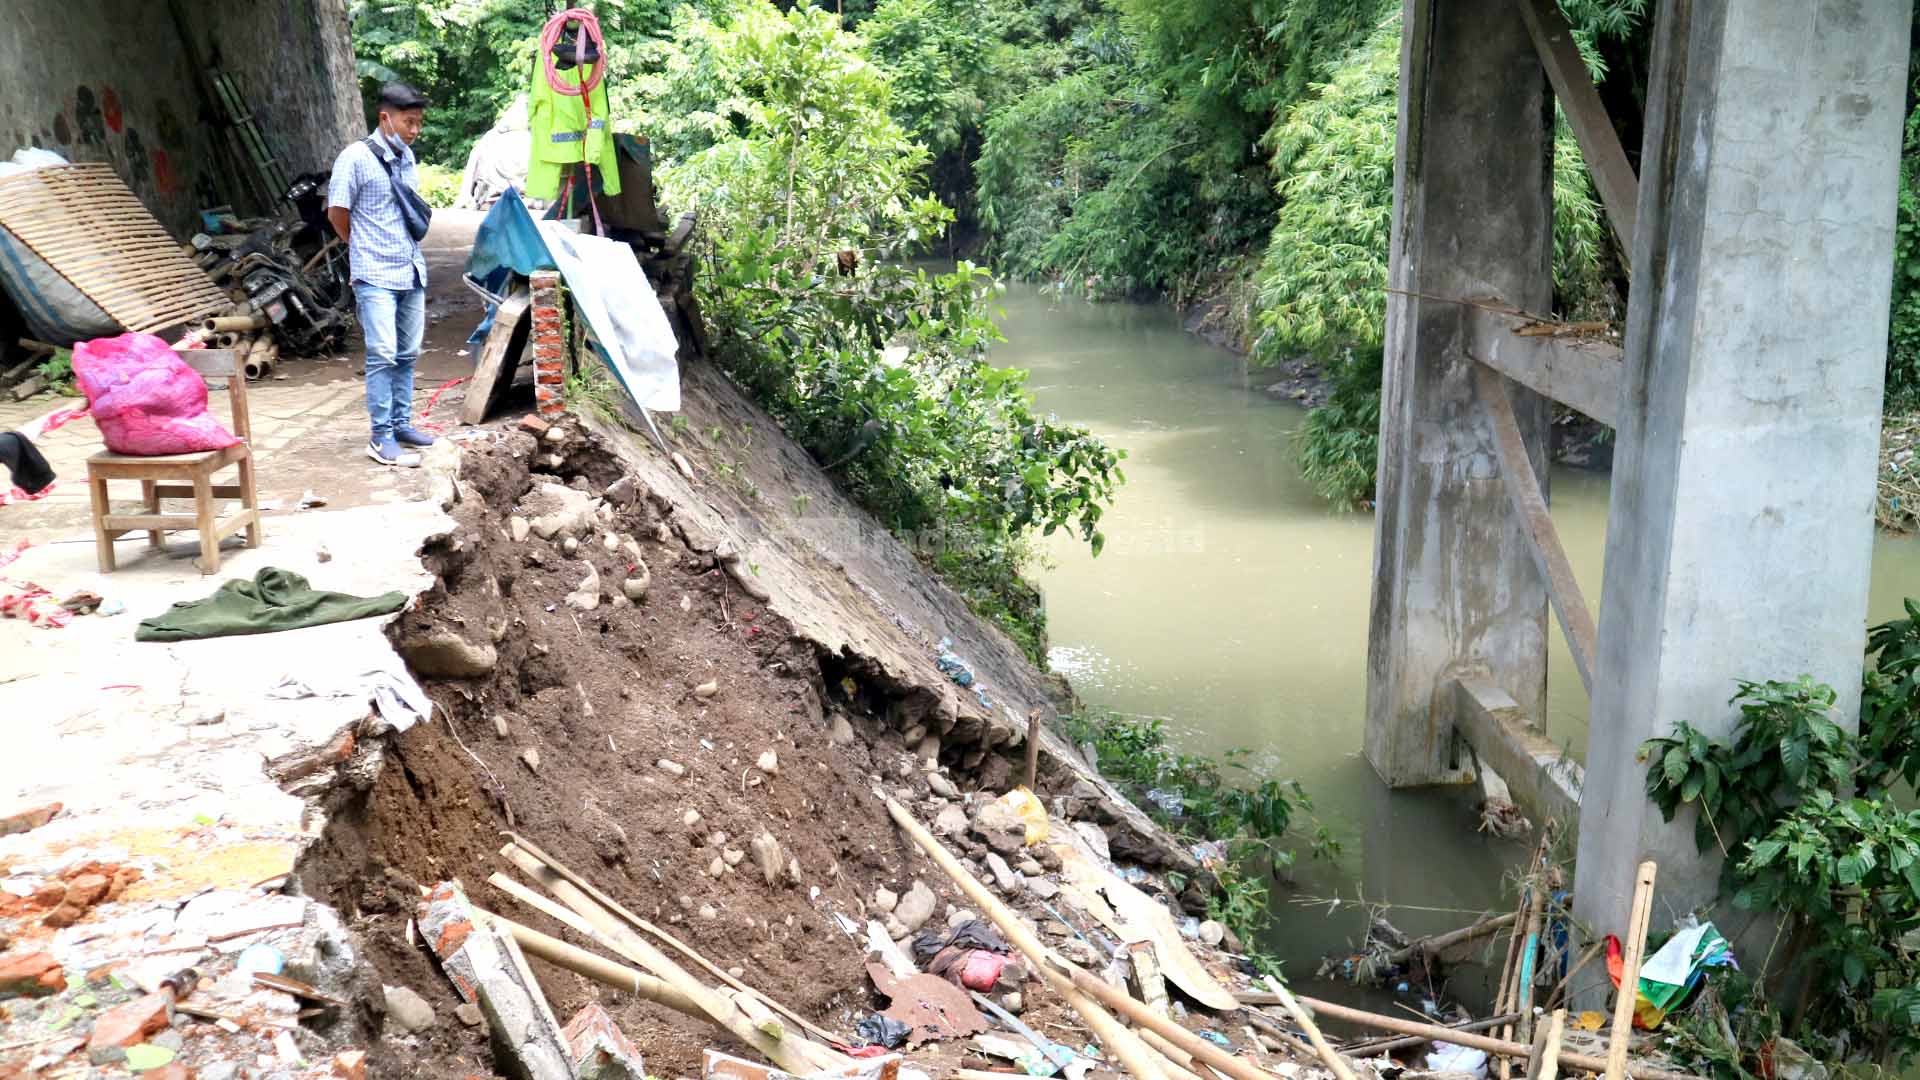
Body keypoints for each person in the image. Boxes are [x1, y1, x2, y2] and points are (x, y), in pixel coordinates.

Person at [327, 82, 436, 467]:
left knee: (407, 352)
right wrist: (362, 248)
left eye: (419, 123)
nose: (414, 130)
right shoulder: (354, 158)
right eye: (409, 122)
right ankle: (381, 436)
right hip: (374, 273)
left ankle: (402, 424)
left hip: (410, 269)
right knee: (383, 353)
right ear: (385, 118)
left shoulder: (407, 157)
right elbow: (337, 212)